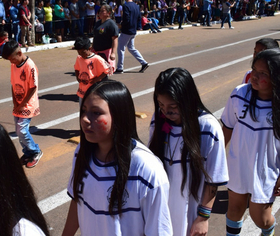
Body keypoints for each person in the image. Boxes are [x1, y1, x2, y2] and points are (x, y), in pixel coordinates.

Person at [61, 80, 173, 236]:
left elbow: (158, 230)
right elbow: (77, 201)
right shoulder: (81, 153)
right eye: (84, 111)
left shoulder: (147, 169)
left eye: (96, 112)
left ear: (119, 116)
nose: (85, 119)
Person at [149, 67, 229, 236]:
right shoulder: (158, 120)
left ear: (188, 100)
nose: (166, 111)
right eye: (161, 104)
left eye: (173, 106)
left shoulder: (207, 127)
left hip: (189, 212)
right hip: (160, 210)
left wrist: (203, 218)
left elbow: (213, 179)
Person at [222, 48, 280, 236]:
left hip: (266, 169)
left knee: (260, 218)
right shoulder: (239, 94)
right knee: (234, 210)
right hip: (238, 163)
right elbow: (227, 128)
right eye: (254, 69)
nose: (254, 76)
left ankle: (269, 230)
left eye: (263, 73)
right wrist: (214, 159)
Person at [2, 40, 43, 168]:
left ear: (19, 53)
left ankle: (36, 151)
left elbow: (32, 88)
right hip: (18, 103)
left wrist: (22, 104)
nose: (11, 62)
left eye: (12, 59)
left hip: (28, 103)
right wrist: (15, 101)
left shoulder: (29, 66)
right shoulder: (14, 65)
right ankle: (27, 152)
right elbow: (13, 84)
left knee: (22, 130)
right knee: (19, 131)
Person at [73, 36, 111, 105]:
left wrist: (97, 79)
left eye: (83, 52)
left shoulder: (97, 59)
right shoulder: (79, 58)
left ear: (89, 49)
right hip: (82, 91)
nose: (81, 55)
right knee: (82, 109)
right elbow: (76, 68)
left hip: (94, 90)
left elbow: (107, 70)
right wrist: (77, 76)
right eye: (79, 52)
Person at [115, 0, 149, 74]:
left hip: (127, 30)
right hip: (133, 30)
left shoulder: (126, 6)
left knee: (121, 48)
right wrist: (137, 27)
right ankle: (143, 62)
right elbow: (139, 17)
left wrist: (121, 25)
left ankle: (120, 67)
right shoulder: (136, 6)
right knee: (131, 48)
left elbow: (126, 18)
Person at [92, 4, 118, 72]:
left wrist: (113, 53)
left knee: (104, 72)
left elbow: (115, 39)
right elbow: (96, 36)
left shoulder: (111, 24)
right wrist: (92, 47)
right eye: (100, 11)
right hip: (96, 52)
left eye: (102, 11)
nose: (100, 12)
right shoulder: (98, 23)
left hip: (105, 52)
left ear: (108, 13)